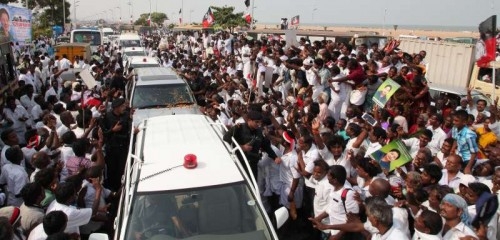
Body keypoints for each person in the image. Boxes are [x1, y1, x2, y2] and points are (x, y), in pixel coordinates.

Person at [223, 111, 281, 178]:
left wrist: (275, 157)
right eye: (256, 122)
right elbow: (226, 138)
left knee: (253, 183)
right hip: (240, 162)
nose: (258, 124)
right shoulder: (239, 128)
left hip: (253, 163)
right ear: (249, 120)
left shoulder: (259, 131)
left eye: (260, 122)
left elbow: (265, 146)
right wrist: (242, 147)